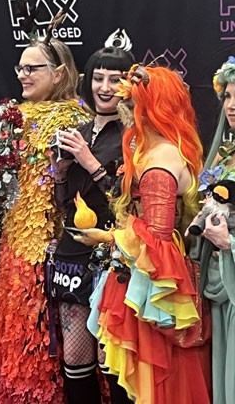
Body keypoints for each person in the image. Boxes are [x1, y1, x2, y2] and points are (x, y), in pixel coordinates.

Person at [79, 65, 210, 403]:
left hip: (152, 287)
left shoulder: (160, 162)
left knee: (150, 380)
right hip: (143, 277)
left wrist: (106, 238)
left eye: (132, 102)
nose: (125, 108)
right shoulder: (164, 150)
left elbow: (157, 239)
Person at [0, 36, 91, 403]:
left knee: (50, 334)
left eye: (32, 68)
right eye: (20, 68)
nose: (23, 75)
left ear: (58, 74)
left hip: (53, 247)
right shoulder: (15, 115)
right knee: (15, 330)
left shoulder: (74, 118)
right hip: (15, 242)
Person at [50, 46, 133, 404]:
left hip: (113, 255)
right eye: (98, 78)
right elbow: (63, 204)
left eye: (115, 80)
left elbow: (128, 201)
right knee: (75, 358)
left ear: (129, 86)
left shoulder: (134, 136)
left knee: (110, 358)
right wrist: (60, 173)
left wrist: (89, 160)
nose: (105, 87)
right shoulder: (78, 131)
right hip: (72, 252)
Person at [192, 55, 235, 404]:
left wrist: (229, 242)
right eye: (228, 96)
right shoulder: (223, 155)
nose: (231, 106)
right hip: (221, 283)